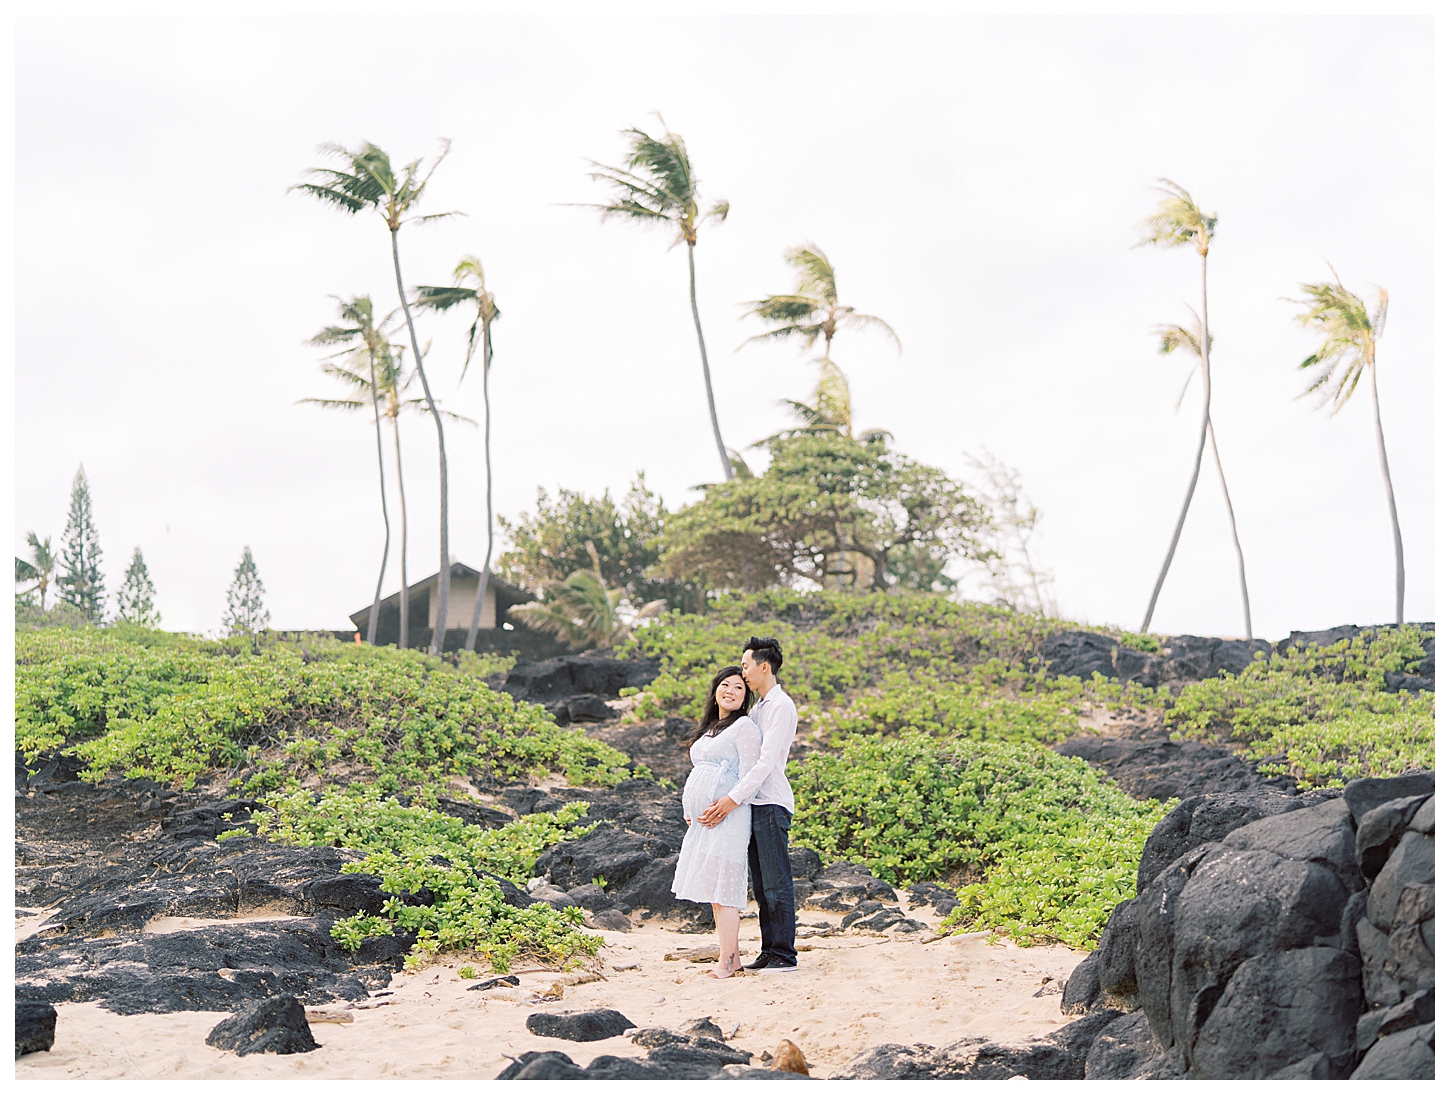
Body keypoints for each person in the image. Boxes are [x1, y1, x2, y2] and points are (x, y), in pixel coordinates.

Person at [699, 636, 799, 973]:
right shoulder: (759, 708)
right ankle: (769, 951)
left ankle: (784, 954)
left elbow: (766, 763)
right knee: (761, 882)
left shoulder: (781, 706)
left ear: (764, 667)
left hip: (770, 802)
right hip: (754, 804)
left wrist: (730, 799)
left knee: (776, 881)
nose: (743, 672)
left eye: (745, 666)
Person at [670, 665, 762, 979]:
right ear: (715, 690)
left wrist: (727, 803)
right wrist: (689, 805)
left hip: (729, 816)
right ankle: (731, 959)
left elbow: (751, 774)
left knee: (725, 891)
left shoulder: (744, 727)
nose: (731, 692)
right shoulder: (711, 728)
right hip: (703, 821)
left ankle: (728, 960)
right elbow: (702, 772)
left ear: (746, 696)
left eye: (739, 688)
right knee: (714, 891)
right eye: (726, 685)